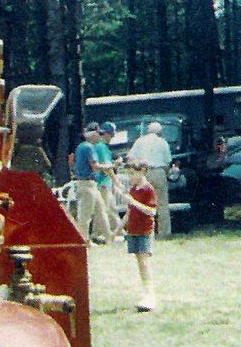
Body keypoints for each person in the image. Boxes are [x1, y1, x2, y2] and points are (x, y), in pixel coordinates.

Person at [72, 123, 118, 244]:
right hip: (86, 183)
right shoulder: (88, 147)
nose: (100, 136)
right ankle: (84, 241)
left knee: (101, 210)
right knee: (85, 215)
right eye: (98, 133)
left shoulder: (81, 146)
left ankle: (109, 238)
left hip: (91, 184)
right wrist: (111, 166)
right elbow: (95, 166)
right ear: (91, 133)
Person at [128, 120, 174, 237]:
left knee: (142, 202)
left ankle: (142, 231)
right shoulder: (162, 142)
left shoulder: (140, 141)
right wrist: (167, 174)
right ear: (160, 132)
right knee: (162, 204)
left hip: (143, 173)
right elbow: (167, 162)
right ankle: (164, 233)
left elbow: (130, 158)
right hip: (159, 171)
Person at [124, 158, 159, 311]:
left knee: (144, 263)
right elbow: (129, 212)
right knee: (140, 263)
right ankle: (145, 293)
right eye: (129, 174)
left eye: (132, 173)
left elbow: (152, 211)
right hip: (133, 230)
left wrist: (133, 202)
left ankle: (150, 295)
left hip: (145, 230)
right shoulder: (134, 189)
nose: (130, 177)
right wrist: (115, 230)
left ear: (142, 172)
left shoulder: (148, 189)